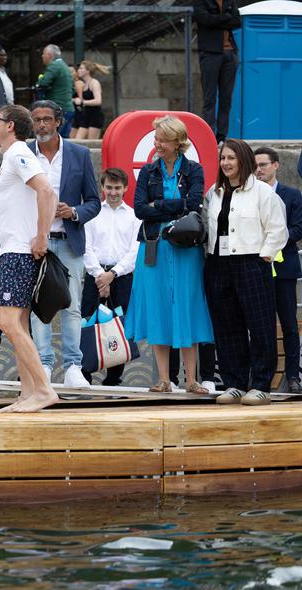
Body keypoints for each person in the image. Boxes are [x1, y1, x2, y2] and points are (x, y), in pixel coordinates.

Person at [129, 115, 213, 394]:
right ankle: (164, 379)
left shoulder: (194, 170)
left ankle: (191, 380)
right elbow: (140, 209)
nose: (157, 144)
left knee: (186, 307)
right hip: (154, 244)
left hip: (185, 248)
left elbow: (193, 202)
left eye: (162, 139)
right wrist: (171, 206)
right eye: (156, 139)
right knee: (158, 308)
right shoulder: (148, 172)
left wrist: (159, 204)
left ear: (178, 142)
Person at [202, 140, 287, 406]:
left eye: (231, 158)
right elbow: (206, 226)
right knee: (227, 326)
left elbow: (277, 228)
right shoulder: (213, 193)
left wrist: (266, 254)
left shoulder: (262, 192)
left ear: (244, 160)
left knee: (260, 325)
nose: (225, 163)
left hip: (252, 263)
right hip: (218, 264)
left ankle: (261, 384)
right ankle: (235, 382)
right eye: (222, 158)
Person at [27, 100, 101, 389]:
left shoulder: (79, 154)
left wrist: (73, 212)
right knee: (38, 307)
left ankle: (73, 366)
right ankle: (43, 365)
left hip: (69, 242)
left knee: (72, 307)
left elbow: (94, 202)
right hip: (36, 244)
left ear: (59, 121)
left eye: (47, 119)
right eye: (36, 120)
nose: (42, 125)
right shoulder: (23, 154)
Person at [0, 104, 58, 412]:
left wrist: (42, 236)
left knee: (8, 322)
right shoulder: (15, 155)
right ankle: (28, 393)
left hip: (18, 251)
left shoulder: (18, 153)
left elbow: (46, 191)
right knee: (17, 324)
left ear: (11, 126)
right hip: (15, 250)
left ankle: (43, 389)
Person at [80, 168, 140, 386]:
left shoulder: (134, 217)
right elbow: (85, 248)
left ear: (125, 188)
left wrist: (112, 274)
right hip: (95, 276)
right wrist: (100, 276)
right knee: (87, 323)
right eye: (109, 188)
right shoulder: (93, 214)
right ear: (102, 188)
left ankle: (113, 380)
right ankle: (85, 376)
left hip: (122, 276)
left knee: (119, 325)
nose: (113, 192)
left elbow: (135, 251)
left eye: (117, 188)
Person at [255, 146, 302, 393]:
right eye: (255, 166)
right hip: (256, 269)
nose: (259, 170)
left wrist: (272, 240)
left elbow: (298, 228)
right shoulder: (249, 195)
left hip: (283, 268)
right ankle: (262, 376)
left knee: (289, 325)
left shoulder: (292, 195)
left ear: (275, 165)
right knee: (260, 325)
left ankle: (293, 376)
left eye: (263, 165)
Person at [193, 0, 241, 143]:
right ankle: (209, 134)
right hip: (210, 53)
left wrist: (218, 20)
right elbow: (205, 20)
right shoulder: (200, 2)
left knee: (226, 98)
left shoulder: (230, 1)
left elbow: (237, 21)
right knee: (210, 97)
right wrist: (226, 17)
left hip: (230, 53)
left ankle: (221, 135)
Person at [35, 44, 74, 137]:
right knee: (64, 139)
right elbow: (73, 89)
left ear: (49, 55)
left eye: (43, 54)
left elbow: (43, 83)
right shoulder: (64, 66)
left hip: (58, 109)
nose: (42, 56)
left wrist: (40, 79)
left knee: (55, 139)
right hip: (68, 108)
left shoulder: (54, 66)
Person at [73, 60, 109, 140]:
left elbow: (98, 101)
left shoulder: (94, 83)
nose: (78, 70)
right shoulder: (84, 84)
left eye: (81, 68)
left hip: (95, 117)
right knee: (77, 140)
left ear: (88, 71)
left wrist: (82, 102)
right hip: (86, 116)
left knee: (91, 143)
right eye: (79, 68)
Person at [68, 66, 83, 139]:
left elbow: (80, 99)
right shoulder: (71, 84)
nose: (70, 74)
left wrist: (70, 99)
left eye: (72, 72)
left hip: (78, 111)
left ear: (76, 73)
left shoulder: (78, 83)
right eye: (68, 72)